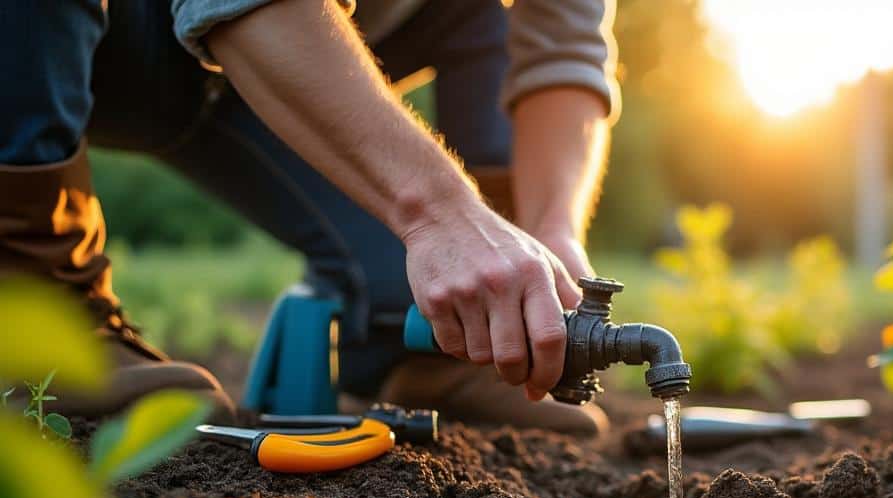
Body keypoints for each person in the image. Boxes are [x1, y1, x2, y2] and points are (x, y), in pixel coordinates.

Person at [0, 0, 617, 434]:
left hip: (292, 72)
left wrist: (550, 231)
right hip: (102, 42)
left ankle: (466, 341)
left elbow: (561, 52)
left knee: (392, 304)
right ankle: (35, 312)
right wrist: (442, 213)